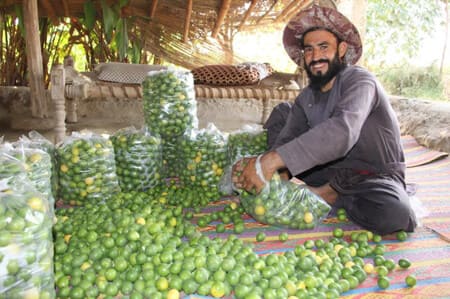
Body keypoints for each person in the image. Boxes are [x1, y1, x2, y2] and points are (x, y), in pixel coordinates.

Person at [232, 5, 417, 235]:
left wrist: (269, 162)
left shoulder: (360, 80)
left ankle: (330, 194)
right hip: (329, 169)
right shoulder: (306, 97)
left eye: (323, 47)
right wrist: (261, 167)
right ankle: (324, 190)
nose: (315, 56)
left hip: (371, 175)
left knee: (394, 214)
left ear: (341, 49)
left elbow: (343, 131)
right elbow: (286, 142)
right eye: (309, 50)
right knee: (282, 113)